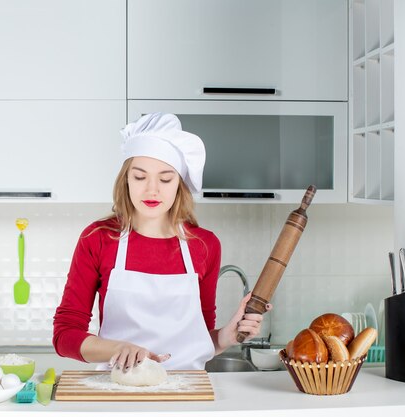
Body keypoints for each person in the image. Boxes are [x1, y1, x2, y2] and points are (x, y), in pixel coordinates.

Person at [52, 113, 269, 372]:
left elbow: (199, 341)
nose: (152, 190)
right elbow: (65, 335)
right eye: (140, 177)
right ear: (126, 180)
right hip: (119, 391)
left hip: (187, 394)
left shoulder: (205, 245)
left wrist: (227, 336)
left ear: (179, 183)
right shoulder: (98, 238)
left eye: (165, 178)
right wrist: (117, 349)